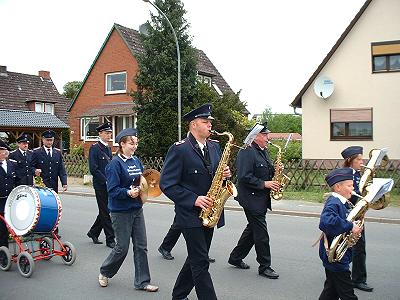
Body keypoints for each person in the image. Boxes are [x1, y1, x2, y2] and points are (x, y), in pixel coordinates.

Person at [160, 103, 231, 300]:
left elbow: (218, 177)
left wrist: (226, 175)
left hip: (210, 213)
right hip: (189, 215)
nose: (210, 125)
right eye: (205, 122)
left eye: (210, 122)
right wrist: (194, 199)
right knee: (201, 262)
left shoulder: (215, 147)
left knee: (195, 258)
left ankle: (179, 294)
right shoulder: (179, 150)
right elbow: (167, 184)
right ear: (193, 125)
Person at [98, 128, 158, 293]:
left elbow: (141, 181)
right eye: (132, 143)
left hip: (136, 209)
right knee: (122, 247)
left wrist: (145, 188)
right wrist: (127, 192)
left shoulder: (136, 161)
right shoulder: (114, 165)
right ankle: (105, 271)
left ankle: (142, 282)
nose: (134, 146)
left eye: (136, 143)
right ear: (122, 144)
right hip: (120, 211)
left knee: (141, 246)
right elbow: (112, 191)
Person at [228, 123, 280, 279]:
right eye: (264, 135)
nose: (267, 138)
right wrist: (264, 184)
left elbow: (265, 171)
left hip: (261, 198)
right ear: (256, 136)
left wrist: (276, 169)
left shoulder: (263, 151)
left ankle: (235, 257)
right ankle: (265, 266)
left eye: (267, 134)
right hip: (250, 198)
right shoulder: (247, 151)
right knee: (261, 233)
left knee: (253, 229)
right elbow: (244, 176)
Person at [318, 167, 363, 300]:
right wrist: (350, 226)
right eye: (349, 186)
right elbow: (326, 222)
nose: (352, 189)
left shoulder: (343, 202)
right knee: (348, 295)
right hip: (336, 257)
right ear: (338, 187)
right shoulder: (334, 202)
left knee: (331, 291)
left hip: (337, 255)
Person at [341, 146, 373, 292]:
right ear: (350, 161)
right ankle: (357, 280)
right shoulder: (347, 175)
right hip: (351, 215)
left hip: (358, 214)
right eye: (359, 159)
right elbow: (350, 195)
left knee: (355, 247)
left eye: (362, 158)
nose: (362, 161)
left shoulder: (358, 174)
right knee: (356, 248)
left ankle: (344, 275)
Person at [87, 122, 115, 248]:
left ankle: (93, 232)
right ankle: (110, 239)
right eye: (107, 133)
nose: (109, 135)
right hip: (100, 185)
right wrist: (105, 180)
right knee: (105, 212)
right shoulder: (94, 148)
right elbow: (94, 169)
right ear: (100, 133)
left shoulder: (108, 148)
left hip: (109, 184)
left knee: (106, 210)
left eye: (110, 133)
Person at [0, 140, 17, 248]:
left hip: (10, 200)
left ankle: (5, 249)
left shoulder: (12, 164)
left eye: (2, 151)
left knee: (9, 225)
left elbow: (18, 180)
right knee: (1, 228)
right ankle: (3, 251)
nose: (3, 153)